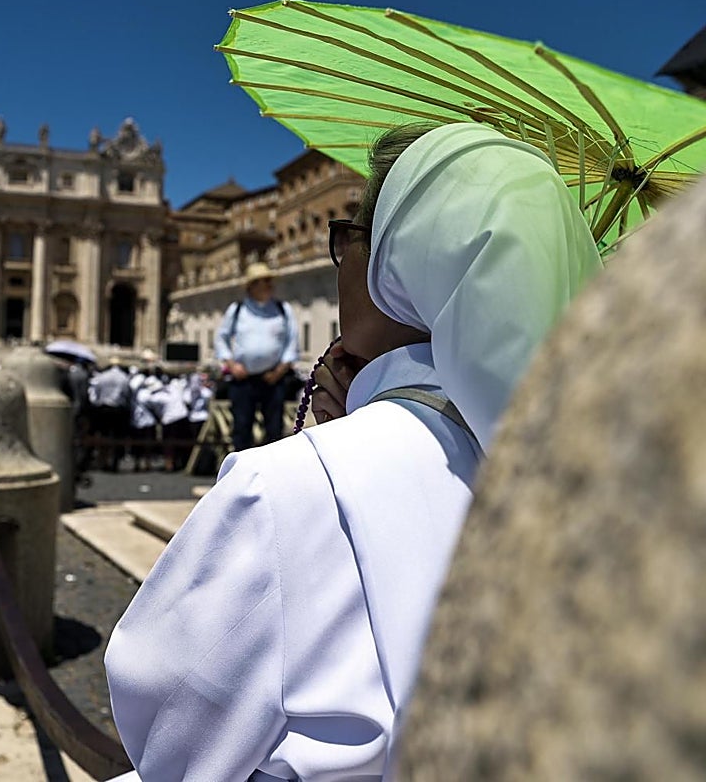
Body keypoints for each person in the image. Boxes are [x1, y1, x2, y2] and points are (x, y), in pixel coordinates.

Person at [104, 123, 603, 780]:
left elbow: (172, 747)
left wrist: (332, 444)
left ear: (397, 260)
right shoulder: (608, 483)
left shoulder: (283, 489)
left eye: (349, 238)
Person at [213, 262, 299, 451]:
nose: (269, 285)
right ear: (252, 286)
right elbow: (221, 338)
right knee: (242, 429)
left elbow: (292, 342)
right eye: (264, 281)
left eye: (270, 281)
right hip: (243, 378)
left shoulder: (282, 309)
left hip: (273, 379)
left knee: (274, 430)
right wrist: (232, 365)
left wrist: (280, 370)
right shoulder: (237, 310)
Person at [88, 357, 132, 471]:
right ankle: (115, 462)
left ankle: (103, 460)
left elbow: (95, 393)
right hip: (118, 409)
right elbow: (127, 394)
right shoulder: (124, 378)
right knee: (117, 437)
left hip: (103, 408)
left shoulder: (102, 377)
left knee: (103, 435)